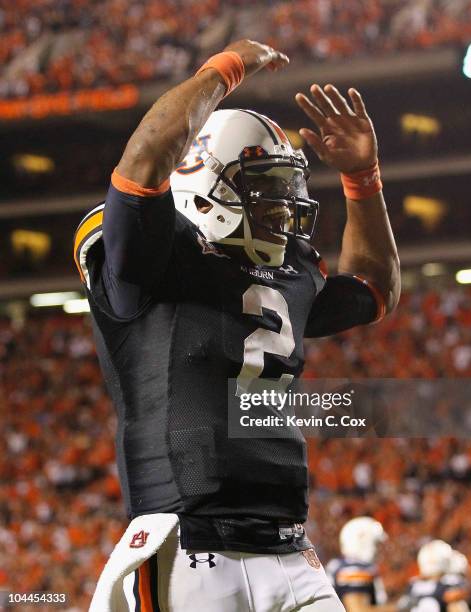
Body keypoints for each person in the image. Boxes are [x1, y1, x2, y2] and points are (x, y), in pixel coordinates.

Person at [74, 39, 400, 611]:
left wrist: (362, 178)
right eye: (266, 190)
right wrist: (223, 71)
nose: (286, 206)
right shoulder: (152, 262)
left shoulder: (289, 271)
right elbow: (145, 161)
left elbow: (375, 288)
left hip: (292, 550)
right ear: (206, 182)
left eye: (287, 188)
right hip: (188, 547)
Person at [326, 517, 398, 612]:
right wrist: (402, 608)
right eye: (375, 544)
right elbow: (357, 610)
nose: (378, 550)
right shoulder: (354, 568)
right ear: (362, 541)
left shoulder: (340, 564)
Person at [400, 540, 470, 612]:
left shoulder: (413, 585)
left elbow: (401, 606)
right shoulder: (448, 583)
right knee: (458, 604)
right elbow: (455, 596)